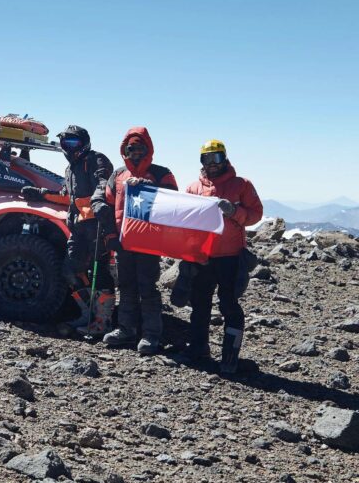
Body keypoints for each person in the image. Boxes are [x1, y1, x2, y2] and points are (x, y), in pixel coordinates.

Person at [21, 125, 118, 335]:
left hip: (98, 225)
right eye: (66, 143)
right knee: (69, 270)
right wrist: (41, 194)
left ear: (84, 143)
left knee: (100, 272)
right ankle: (88, 313)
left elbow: (104, 184)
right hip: (78, 227)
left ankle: (103, 322)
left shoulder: (96, 160)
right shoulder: (70, 169)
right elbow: (67, 196)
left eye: (73, 143)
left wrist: (99, 203)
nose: (69, 147)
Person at [181, 140, 263, 374]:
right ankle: (198, 349)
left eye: (216, 158)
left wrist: (234, 211)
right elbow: (185, 221)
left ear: (224, 158)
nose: (212, 164)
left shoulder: (241, 185)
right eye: (207, 159)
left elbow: (256, 214)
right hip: (203, 258)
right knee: (199, 305)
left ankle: (230, 355)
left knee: (229, 305)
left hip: (231, 257)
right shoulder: (193, 188)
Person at [101, 127, 178, 354]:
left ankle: (151, 335)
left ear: (148, 149)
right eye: (130, 148)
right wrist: (110, 236)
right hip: (124, 241)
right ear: (125, 150)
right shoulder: (118, 174)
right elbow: (106, 201)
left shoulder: (161, 173)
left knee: (147, 287)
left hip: (149, 242)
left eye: (139, 148)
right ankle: (126, 329)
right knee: (126, 286)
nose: (135, 152)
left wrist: (146, 188)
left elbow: (173, 202)